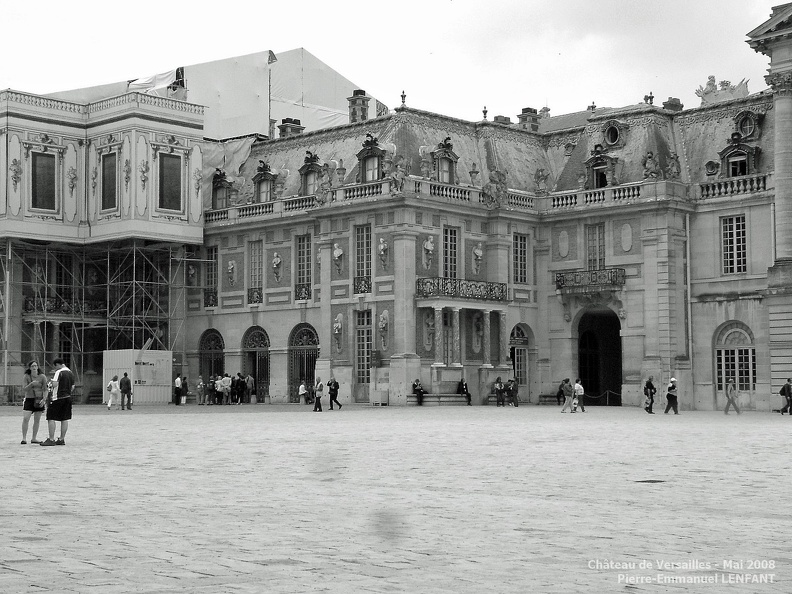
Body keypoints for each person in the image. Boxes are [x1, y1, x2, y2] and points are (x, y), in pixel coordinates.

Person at [40, 357, 74, 446]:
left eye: (55, 367)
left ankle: (51, 439)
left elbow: (55, 384)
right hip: (68, 397)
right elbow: (73, 387)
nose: (55, 369)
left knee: (51, 417)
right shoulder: (70, 373)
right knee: (64, 418)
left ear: (57, 365)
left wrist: (51, 381)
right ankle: (62, 438)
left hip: (57, 397)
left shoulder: (59, 372)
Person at [21, 360, 46, 444]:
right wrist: (31, 384)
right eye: (32, 366)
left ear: (38, 367)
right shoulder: (26, 376)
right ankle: (24, 438)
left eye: (35, 366)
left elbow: (45, 389)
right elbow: (24, 388)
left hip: (39, 399)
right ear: (30, 368)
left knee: (37, 419)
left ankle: (34, 438)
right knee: (26, 418)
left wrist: (44, 399)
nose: (34, 367)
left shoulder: (42, 376)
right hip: (29, 398)